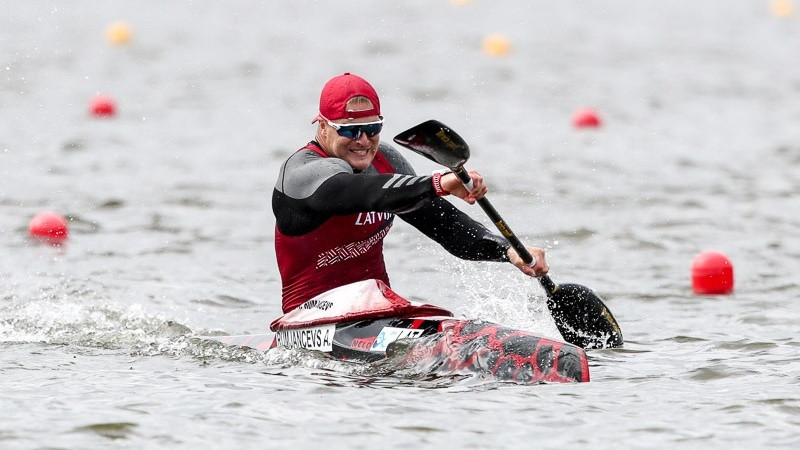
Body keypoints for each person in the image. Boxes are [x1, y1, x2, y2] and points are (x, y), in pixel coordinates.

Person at [273, 73, 549, 313]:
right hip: (310, 318)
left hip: (377, 310)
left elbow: (446, 226)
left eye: (372, 129)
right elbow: (359, 192)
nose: (363, 141)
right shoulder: (302, 172)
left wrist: (508, 250)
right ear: (322, 126)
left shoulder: (385, 161)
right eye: (350, 130)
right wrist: (437, 184)